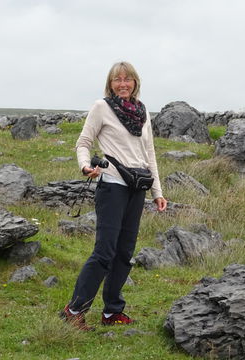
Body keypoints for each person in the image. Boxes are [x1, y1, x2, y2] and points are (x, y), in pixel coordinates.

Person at [60, 61, 167, 331]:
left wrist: (157, 192)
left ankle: (112, 311)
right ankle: (74, 310)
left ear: (135, 82)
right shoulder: (102, 107)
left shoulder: (142, 112)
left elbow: (149, 153)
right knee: (104, 252)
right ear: (110, 84)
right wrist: (85, 166)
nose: (123, 84)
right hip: (112, 185)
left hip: (137, 188)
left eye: (127, 79)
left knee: (125, 253)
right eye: (117, 79)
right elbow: (83, 143)